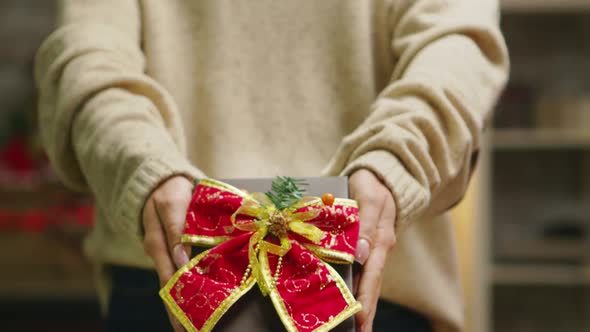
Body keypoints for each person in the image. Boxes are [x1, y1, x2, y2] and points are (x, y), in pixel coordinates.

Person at [35, 1, 508, 331]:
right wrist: (145, 170)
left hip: (366, 286)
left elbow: (458, 47)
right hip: (176, 280)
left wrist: (395, 160)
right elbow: (86, 58)